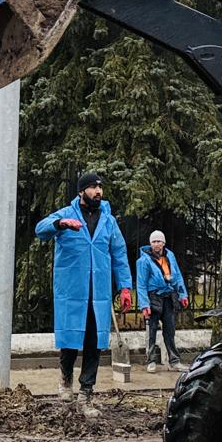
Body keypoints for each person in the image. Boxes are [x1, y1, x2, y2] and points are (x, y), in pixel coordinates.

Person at [34, 171, 132, 410]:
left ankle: (86, 392)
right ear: (81, 192)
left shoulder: (108, 220)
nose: (98, 191)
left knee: (93, 342)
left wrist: (125, 287)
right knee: (70, 340)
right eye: (92, 187)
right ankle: (65, 382)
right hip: (72, 291)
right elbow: (40, 229)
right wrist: (60, 224)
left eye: (100, 187)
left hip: (98, 294)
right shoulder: (66, 214)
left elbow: (119, 254)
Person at [136, 230, 189, 370]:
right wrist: (144, 305)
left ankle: (174, 361)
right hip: (153, 296)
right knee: (151, 331)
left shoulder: (169, 256)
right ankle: (151, 361)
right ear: (150, 243)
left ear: (163, 243)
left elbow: (177, 276)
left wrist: (183, 295)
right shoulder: (143, 261)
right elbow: (141, 285)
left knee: (170, 330)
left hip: (169, 297)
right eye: (154, 241)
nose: (156, 244)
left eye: (159, 241)